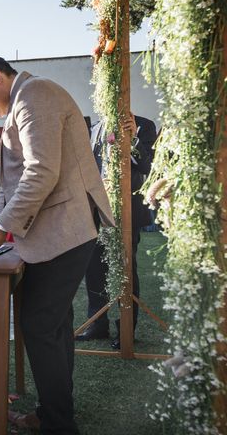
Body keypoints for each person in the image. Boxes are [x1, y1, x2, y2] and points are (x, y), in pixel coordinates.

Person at [0, 52, 113, 434]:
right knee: (53, 326)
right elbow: (23, 176)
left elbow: (42, 170)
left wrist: (1, 227)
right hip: (60, 230)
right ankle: (54, 415)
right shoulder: (26, 98)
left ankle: (57, 423)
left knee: (40, 325)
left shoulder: (34, 94)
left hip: (64, 228)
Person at [76, 112, 157, 348]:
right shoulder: (94, 128)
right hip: (94, 211)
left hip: (127, 211)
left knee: (126, 269)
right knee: (93, 268)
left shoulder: (144, 124)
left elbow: (148, 165)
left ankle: (126, 330)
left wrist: (132, 139)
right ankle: (97, 324)